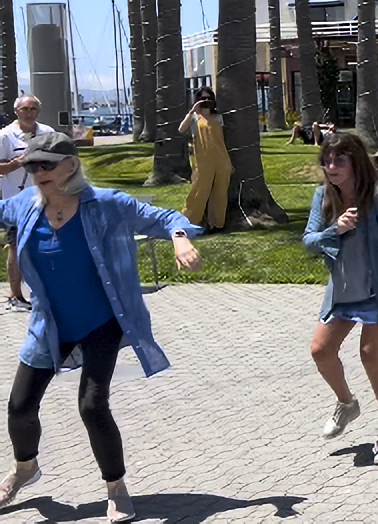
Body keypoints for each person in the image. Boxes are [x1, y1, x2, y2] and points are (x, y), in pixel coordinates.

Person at [0, 132, 202, 522]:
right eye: (31, 165)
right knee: (19, 408)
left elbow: (165, 218)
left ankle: (116, 487)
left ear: (70, 166)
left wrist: (180, 239)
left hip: (101, 321)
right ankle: (25, 469)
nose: (37, 171)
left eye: (46, 164)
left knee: (92, 406)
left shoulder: (105, 204)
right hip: (50, 324)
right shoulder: (25, 205)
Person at [302, 133, 378, 466]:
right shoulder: (323, 196)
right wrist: (333, 230)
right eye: (327, 160)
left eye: (339, 160)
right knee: (320, 351)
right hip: (343, 290)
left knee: (370, 354)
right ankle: (347, 403)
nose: (331, 166)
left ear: (355, 162)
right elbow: (309, 242)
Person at [0, 95, 55, 308]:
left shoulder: (48, 133)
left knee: (45, 245)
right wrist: (18, 162)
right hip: (16, 200)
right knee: (15, 247)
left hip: (46, 198)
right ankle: (15, 295)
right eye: (25, 108)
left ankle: (42, 292)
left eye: (33, 108)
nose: (29, 112)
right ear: (16, 111)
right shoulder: (5, 136)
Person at [178, 87, 232, 234]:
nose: (206, 101)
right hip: (203, 161)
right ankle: (188, 221)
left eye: (209, 98)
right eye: (203, 99)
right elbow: (181, 129)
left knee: (220, 193)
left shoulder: (219, 117)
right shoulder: (195, 118)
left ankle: (217, 224)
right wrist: (192, 111)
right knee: (199, 192)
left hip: (222, 160)